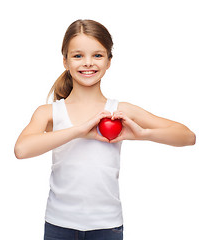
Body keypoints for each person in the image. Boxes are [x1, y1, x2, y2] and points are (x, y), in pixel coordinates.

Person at [14, 19, 196, 240]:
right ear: (65, 61)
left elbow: (188, 136)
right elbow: (22, 150)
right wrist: (79, 130)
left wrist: (143, 134)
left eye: (97, 55)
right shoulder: (48, 112)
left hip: (107, 226)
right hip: (58, 225)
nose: (88, 63)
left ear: (109, 61)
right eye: (78, 55)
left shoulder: (120, 110)